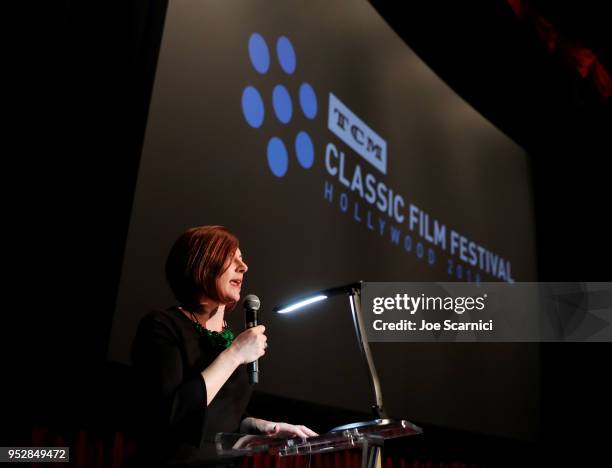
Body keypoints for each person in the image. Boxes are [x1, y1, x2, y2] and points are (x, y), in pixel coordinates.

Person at [130, 225, 317, 467]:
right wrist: (235, 354)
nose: (244, 267)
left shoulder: (231, 341)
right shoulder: (162, 325)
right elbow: (173, 411)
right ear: (202, 263)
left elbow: (220, 418)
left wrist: (264, 426)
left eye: (243, 259)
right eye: (232, 258)